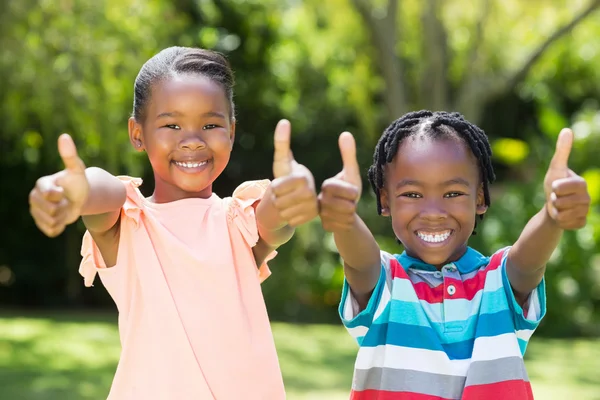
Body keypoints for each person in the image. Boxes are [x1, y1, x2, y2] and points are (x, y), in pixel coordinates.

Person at [28, 46, 319, 400]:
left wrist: (292, 190)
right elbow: (102, 191)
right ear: (137, 133)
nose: (193, 140)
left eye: (211, 124)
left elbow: (275, 216)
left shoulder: (239, 222)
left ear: (231, 131)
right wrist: (74, 190)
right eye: (172, 124)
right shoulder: (129, 222)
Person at [318, 110, 591, 399]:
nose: (433, 213)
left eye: (452, 194)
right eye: (412, 194)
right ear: (385, 201)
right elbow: (360, 263)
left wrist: (552, 215)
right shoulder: (386, 283)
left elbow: (529, 263)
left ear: (480, 198)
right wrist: (345, 221)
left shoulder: (497, 283)